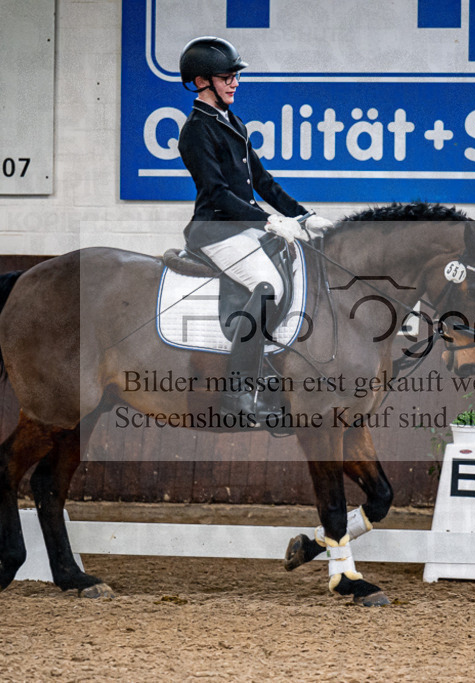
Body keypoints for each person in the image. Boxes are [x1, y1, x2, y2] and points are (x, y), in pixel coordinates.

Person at [177, 36, 333, 426]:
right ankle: (238, 392)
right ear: (201, 82)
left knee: (293, 264)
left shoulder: (232, 122)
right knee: (270, 287)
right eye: (226, 77)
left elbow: (263, 181)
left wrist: (303, 216)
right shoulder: (196, 131)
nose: (235, 83)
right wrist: (266, 221)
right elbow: (216, 193)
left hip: (240, 227)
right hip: (215, 231)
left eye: (235, 77)